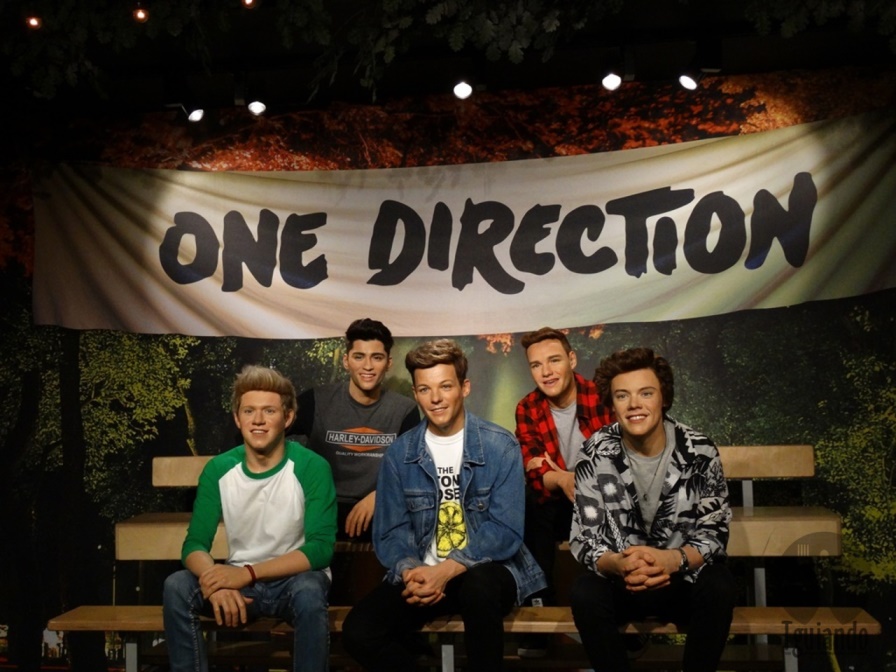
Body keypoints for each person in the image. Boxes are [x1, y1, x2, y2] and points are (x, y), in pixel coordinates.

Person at [342, 339, 547, 672]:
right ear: (416, 393)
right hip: (422, 573)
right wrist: (411, 571)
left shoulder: (500, 445)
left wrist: (446, 570)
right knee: (359, 631)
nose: (435, 398)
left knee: (479, 589)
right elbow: (391, 531)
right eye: (425, 389)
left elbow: (505, 531)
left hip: (485, 571)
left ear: (464, 388)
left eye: (445, 386)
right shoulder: (400, 454)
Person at [569, 347, 736, 672]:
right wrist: (619, 563)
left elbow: (714, 534)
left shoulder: (699, 451)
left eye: (646, 393)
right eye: (622, 395)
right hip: (623, 581)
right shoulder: (595, 452)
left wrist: (672, 560)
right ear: (612, 403)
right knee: (584, 591)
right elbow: (586, 539)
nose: (634, 404)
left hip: (682, 579)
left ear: (663, 398)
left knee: (720, 584)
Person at [163, 365, 337, 672]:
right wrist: (216, 582)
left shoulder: (312, 466)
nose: (258, 420)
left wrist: (247, 574)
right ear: (237, 418)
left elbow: (320, 549)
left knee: (310, 589)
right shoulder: (219, 469)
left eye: (269, 411)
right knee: (176, 585)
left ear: (288, 418)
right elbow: (194, 545)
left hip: (292, 583)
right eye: (249, 411)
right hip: (238, 584)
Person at [513, 327, 612, 656]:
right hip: (555, 504)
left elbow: (617, 462)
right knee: (528, 505)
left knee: (616, 502)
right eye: (536, 365)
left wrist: (568, 475)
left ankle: (618, 612)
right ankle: (538, 608)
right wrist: (558, 478)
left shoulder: (602, 396)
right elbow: (534, 470)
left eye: (554, 360)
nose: (546, 372)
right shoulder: (527, 407)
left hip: (603, 499)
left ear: (572, 359)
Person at [293, 318, 418, 540]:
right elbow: (267, 436)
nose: (367, 366)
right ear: (346, 361)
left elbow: (412, 470)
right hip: (321, 508)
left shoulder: (404, 410)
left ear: (388, 363)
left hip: (379, 510)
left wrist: (380, 495)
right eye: (359, 357)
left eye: (376, 357)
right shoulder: (316, 400)